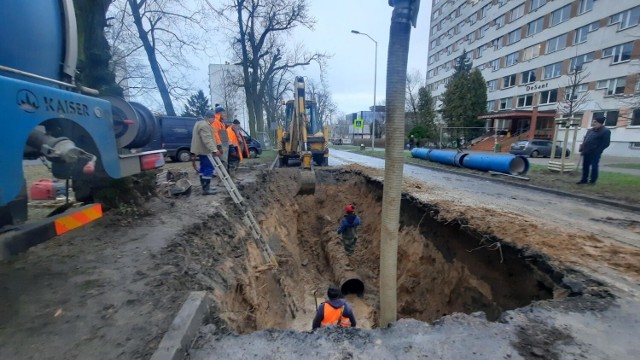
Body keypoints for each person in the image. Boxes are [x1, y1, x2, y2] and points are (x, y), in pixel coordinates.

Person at [190, 111, 220, 195]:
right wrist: (214, 149)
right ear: (209, 117)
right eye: (213, 118)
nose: (214, 120)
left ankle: (205, 187)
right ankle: (206, 189)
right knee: (208, 168)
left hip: (201, 150)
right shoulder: (204, 125)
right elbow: (207, 139)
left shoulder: (199, 123)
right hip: (205, 151)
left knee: (203, 169)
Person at [577, 116, 611, 185]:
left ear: (600, 123)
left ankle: (592, 181)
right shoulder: (590, 130)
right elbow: (586, 139)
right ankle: (584, 180)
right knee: (585, 166)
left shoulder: (605, 131)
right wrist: (582, 146)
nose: (593, 123)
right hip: (586, 151)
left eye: (595, 121)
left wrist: (597, 151)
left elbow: (606, 143)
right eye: (593, 121)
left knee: (594, 167)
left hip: (595, 153)